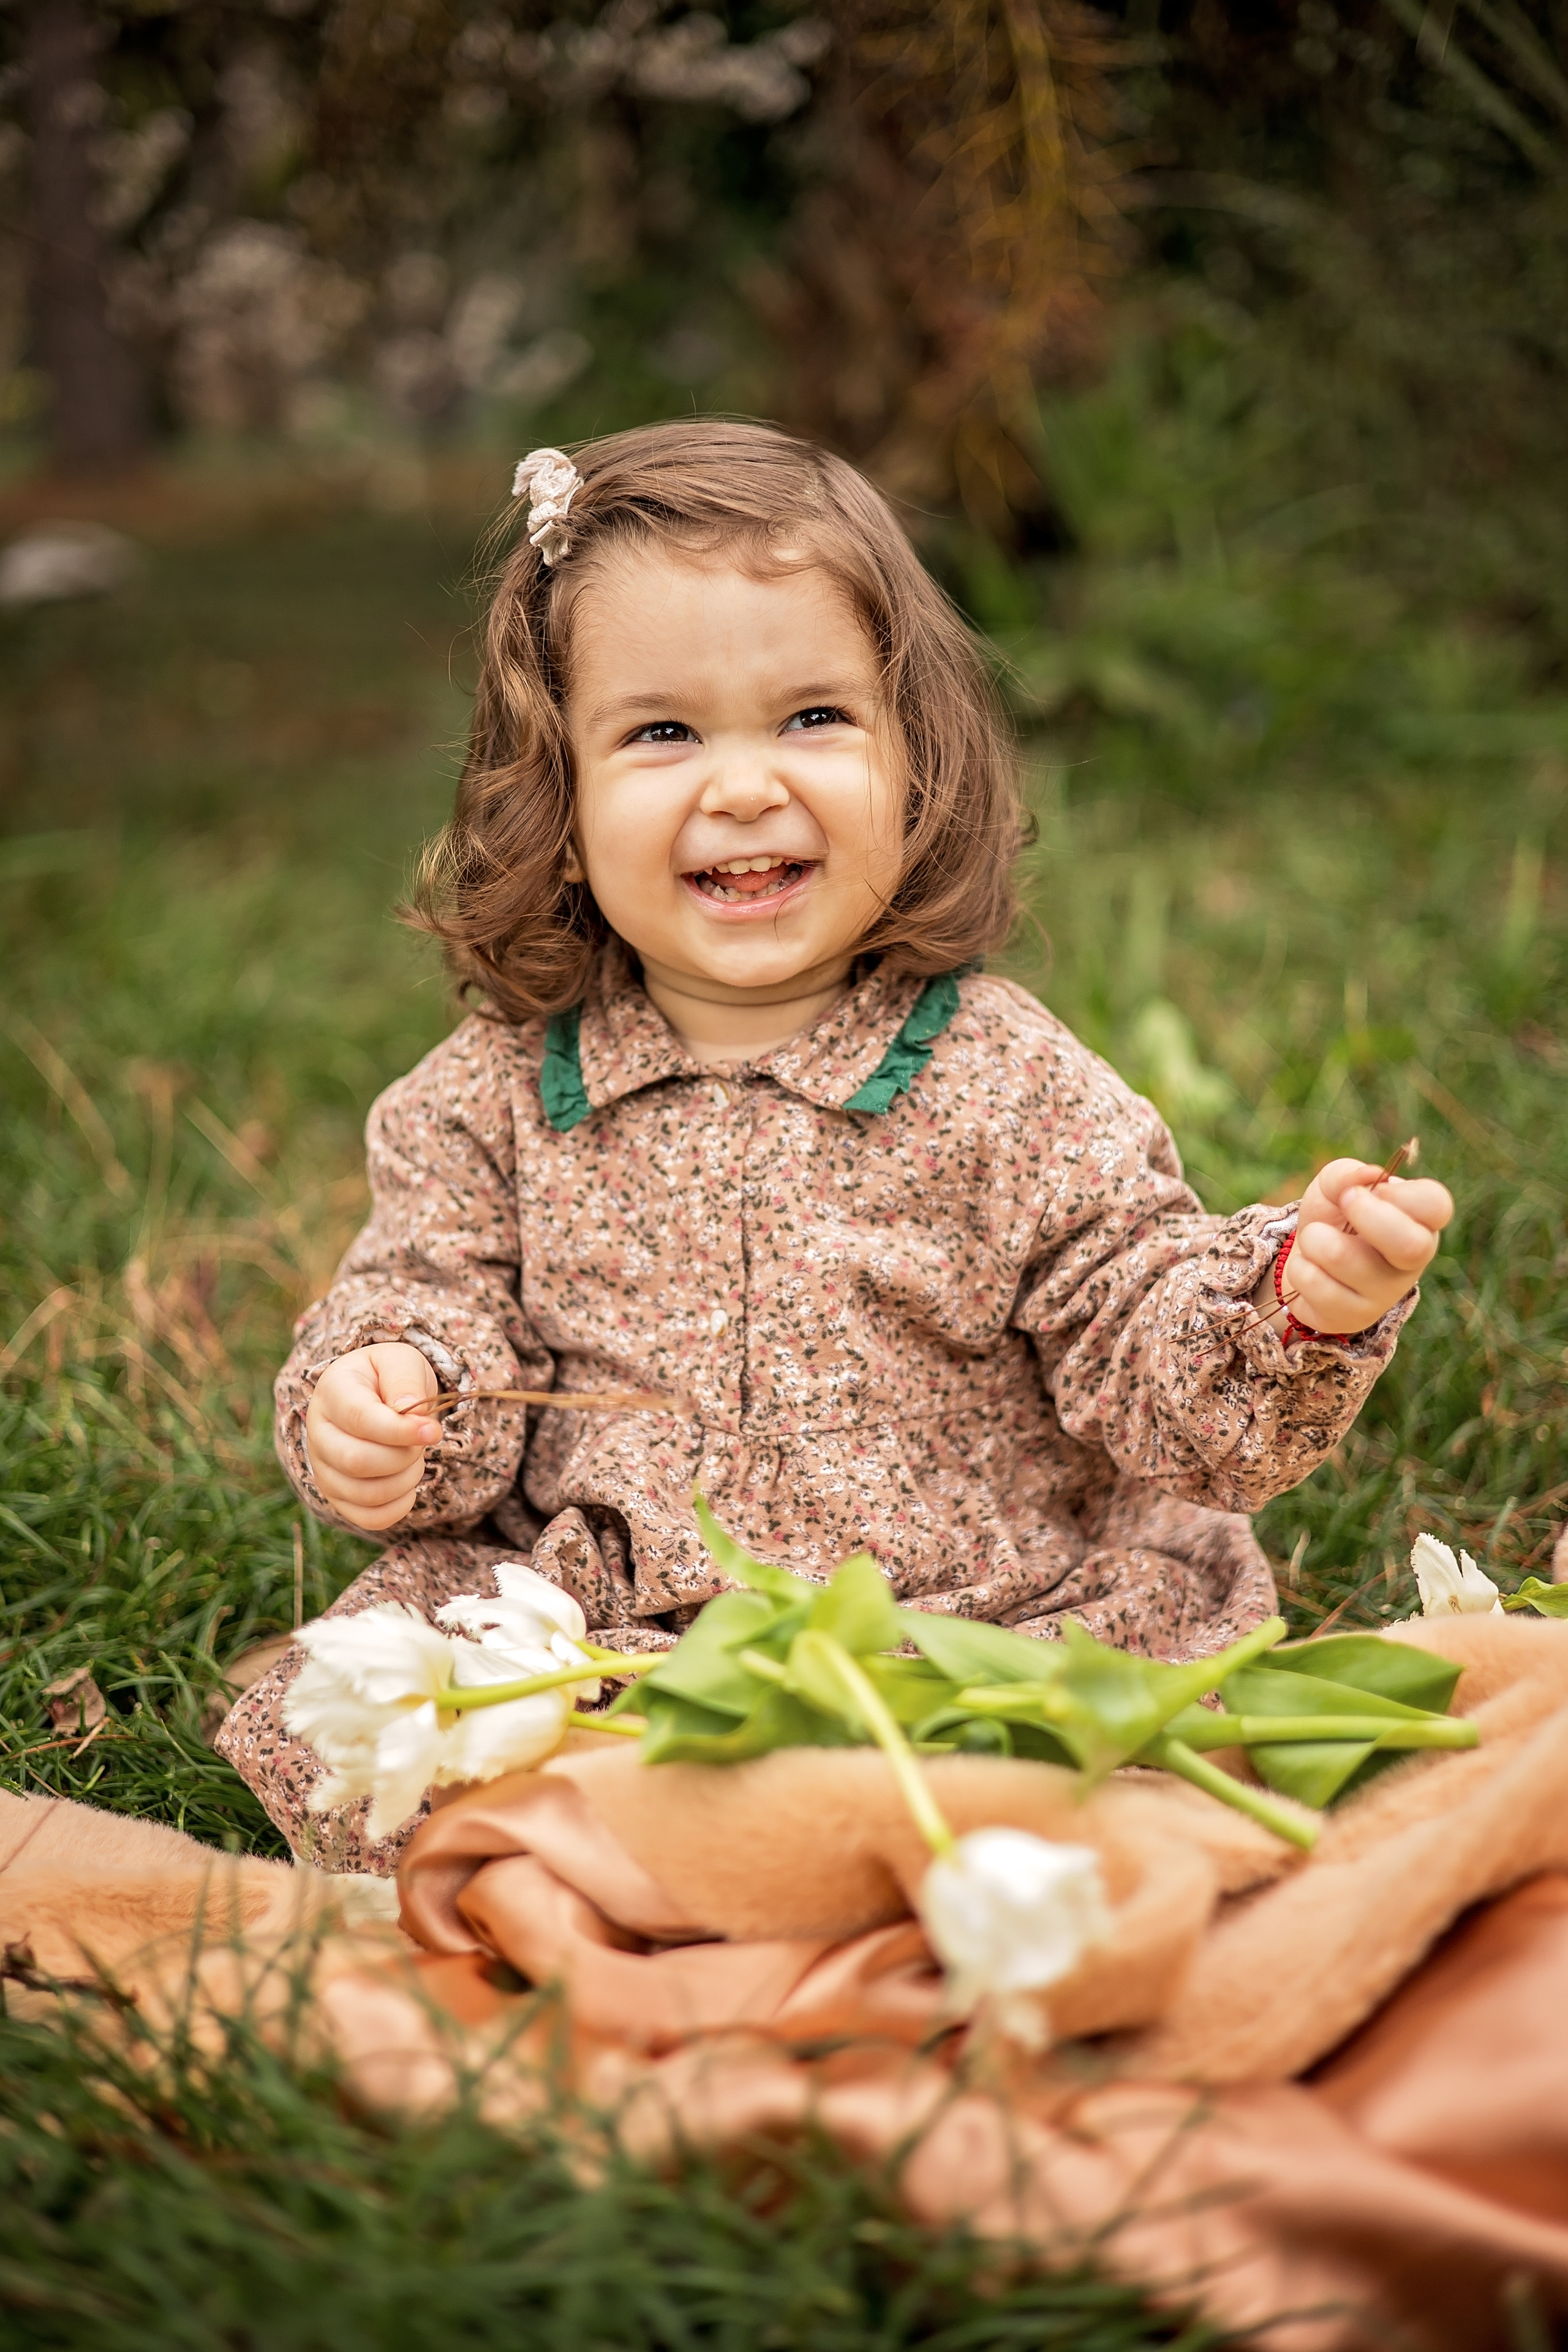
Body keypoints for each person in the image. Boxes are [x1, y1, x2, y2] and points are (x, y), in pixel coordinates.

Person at [217, 421, 1453, 1871]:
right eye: (662, 732)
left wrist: (1293, 1304)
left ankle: (788, 1869)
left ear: (916, 764)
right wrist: (392, 1401)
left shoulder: (1002, 1080)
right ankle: (681, 1869)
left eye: (810, 718)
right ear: (555, 802)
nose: (741, 786)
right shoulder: (485, 1101)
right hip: (615, 1639)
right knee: (406, 1719)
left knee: (1057, 1774)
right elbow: (423, 1300)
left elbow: (1132, 1320)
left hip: (969, 1621)